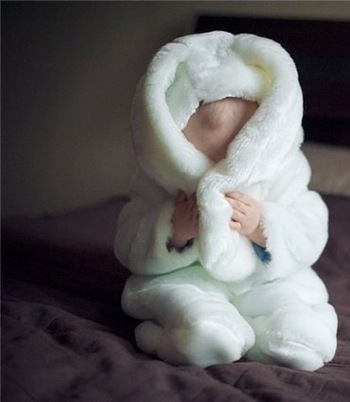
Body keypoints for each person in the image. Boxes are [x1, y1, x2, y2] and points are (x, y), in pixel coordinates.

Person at [114, 32, 337, 371]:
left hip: (263, 280)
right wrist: (174, 228)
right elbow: (129, 238)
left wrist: (262, 224)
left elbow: (310, 225)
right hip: (189, 277)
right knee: (181, 298)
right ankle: (202, 331)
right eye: (206, 160)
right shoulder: (159, 178)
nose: (226, 167)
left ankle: (287, 330)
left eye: (244, 144)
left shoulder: (283, 171)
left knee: (287, 297)